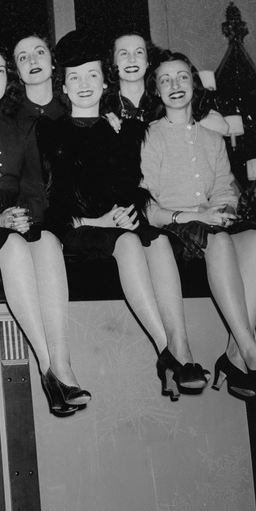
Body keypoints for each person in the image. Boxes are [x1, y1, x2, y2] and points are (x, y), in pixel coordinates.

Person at [40, 31, 207, 399]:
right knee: (130, 243)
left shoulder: (126, 130)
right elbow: (56, 201)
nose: (85, 84)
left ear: (105, 82)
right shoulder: (51, 132)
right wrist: (102, 222)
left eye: (93, 76)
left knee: (156, 239)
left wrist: (130, 214)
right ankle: (168, 349)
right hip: (78, 227)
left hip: (117, 226)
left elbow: (132, 188)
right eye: (75, 78)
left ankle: (181, 346)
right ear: (64, 89)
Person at [0, 45, 91, 415]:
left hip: (17, 215)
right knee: (13, 246)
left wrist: (26, 213)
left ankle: (63, 363)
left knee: (47, 241)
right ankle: (49, 367)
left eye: (0, 71)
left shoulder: (23, 126)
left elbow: (33, 186)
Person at [140, 51, 256, 399]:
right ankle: (249, 350)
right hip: (174, 226)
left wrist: (224, 209)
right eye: (165, 79)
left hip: (211, 223)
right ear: (156, 90)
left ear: (194, 84)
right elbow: (149, 208)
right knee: (217, 239)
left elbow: (223, 188)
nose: (175, 85)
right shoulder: (150, 137)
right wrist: (198, 217)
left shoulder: (212, 138)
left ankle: (233, 352)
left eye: (182, 77)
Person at [106, 29, 229, 136]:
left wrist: (175, 121)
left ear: (148, 61)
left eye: (139, 52)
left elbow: (223, 126)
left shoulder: (165, 96)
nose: (132, 59)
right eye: (123, 53)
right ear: (112, 62)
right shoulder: (104, 106)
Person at [12, 31, 69, 122]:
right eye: (23, 58)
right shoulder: (10, 120)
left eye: (39, 52)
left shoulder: (72, 112)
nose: (32, 60)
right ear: (18, 72)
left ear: (52, 62)